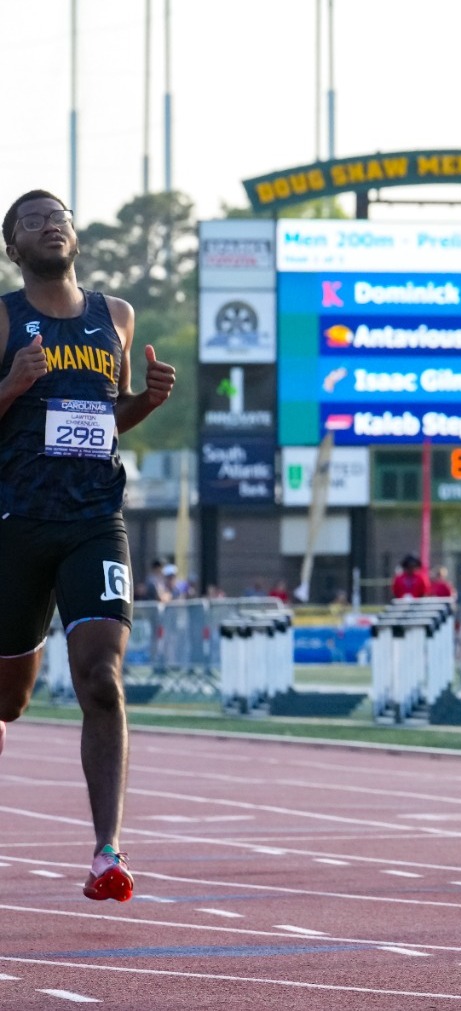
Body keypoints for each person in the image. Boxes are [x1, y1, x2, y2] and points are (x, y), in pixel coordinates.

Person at [0, 189, 177, 898]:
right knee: (8, 701)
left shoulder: (117, 316)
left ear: (74, 234)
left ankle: (107, 850)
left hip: (94, 520)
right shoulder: (5, 319)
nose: (50, 225)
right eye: (32, 220)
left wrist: (150, 400)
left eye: (59, 216)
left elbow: (108, 417)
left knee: (100, 679)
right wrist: (11, 386)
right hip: (15, 522)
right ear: (14, 246)